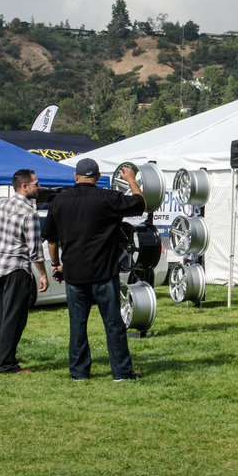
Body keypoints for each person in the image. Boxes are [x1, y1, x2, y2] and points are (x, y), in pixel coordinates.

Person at [42, 158, 144, 382]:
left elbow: (51, 239)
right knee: (113, 324)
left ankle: (79, 372)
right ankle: (121, 372)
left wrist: (55, 263)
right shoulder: (108, 197)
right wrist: (131, 180)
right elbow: (139, 204)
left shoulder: (60, 200)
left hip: (74, 272)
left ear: (75, 176)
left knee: (77, 324)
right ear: (98, 178)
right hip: (103, 272)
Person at [0, 169, 49, 374]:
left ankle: (5, 357)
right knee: (15, 317)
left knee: (4, 316)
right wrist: (43, 274)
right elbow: (35, 250)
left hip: (0, 266)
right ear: (24, 186)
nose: (39, 187)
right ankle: (6, 363)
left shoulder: (1, 205)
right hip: (17, 267)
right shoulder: (29, 213)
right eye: (36, 183)